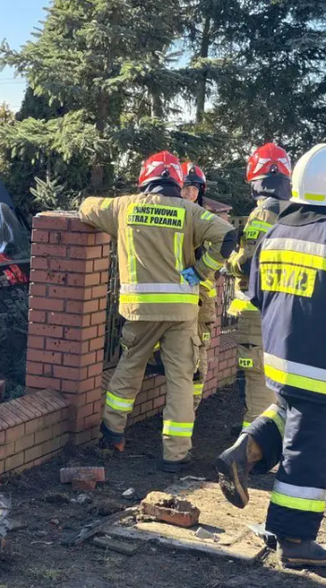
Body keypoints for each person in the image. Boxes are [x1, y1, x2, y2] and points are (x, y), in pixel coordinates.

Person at [214, 143, 326, 568]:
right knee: (310, 449)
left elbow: (253, 292)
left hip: (279, 355)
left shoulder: (274, 233)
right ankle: (294, 540)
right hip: (320, 360)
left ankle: (245, 449)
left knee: (288, 410)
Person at [79, 151, 235, 472]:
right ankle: (175, 455)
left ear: (145, 179)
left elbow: (86, 207)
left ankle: (112, 434)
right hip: (181, 311)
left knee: (130, 367)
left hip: (140, 310)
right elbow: (228, 236)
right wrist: (201, 271)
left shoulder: (124, 206)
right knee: (179, 380)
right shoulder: (190, 211)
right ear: (177, 182)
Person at [225, 142, 292, 431]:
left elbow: (248, 261)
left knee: (257, 377)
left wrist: (227, 262)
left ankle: (253, 444)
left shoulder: (265, 213)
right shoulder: (300, 210)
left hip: (259, 312)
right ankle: (281, 436)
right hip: (290, 307)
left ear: (258, 182)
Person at [181, 162, 217, 409]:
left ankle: (190, 409)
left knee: (199, 351)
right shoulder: (173, 214)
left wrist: (200, 271)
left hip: (202, 294)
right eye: (186, 186)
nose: (191, 192)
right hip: (176, 294)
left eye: (195, 188)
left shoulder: (206, 218)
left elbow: (221, 246)